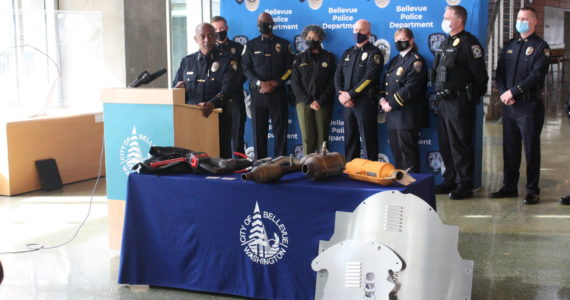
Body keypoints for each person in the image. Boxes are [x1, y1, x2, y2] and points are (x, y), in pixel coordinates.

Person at [490, 7, 551, 205]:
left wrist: (514, 92)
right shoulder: (510, 44)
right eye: (519, 18)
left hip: (529, 106)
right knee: (510, 148)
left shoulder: (541, 47)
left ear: (534, 22)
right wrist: (503, 91)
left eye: (525, 18)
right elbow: (500, 71)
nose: (520, 21)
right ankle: (509, 187)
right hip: (509, 106)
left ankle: (532, 190)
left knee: (531, 149)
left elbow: (536, 75)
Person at [432, 5, 488, 200]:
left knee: (460, 144)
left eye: (447, 17)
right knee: (446, 144)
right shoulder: (447, 42)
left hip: (460, 102)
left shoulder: (469, 44)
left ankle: (464, 184)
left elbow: (481, 77)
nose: (444, 19)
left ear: (458, 21)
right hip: (444, 102)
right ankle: (450, 179)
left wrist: (469, 99)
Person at [172, 23, 236, 157]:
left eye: (210, 36)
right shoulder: (187, 62)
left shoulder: (227, 61)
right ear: (196, 39)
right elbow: (175, 87)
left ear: (215, 37)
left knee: (220, 161)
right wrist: (178, 89)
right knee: (193, 160)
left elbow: (229, 89)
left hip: (218, 118)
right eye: (202, 36)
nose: (207, 39)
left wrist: (212, 104)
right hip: (190, 120)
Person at [242, 12, 294, 159]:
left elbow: (290, 69)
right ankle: (260, 162)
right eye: (261, 23)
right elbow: (246, 68)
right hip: (258, 94)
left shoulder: (284, 44)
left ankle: (280, 161)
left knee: (280, 131)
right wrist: (260, 83)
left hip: (278, 94)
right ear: (257, 25)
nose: (264, 25)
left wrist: (277, 83)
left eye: (267, 22)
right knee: (259, 131)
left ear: (273, 24)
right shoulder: (250, 45)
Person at [379, 28, 428, 173]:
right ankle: (401, 186)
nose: (399, 42)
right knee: (397, 154)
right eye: (397, 40)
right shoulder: (395, 60)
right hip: (392, 115)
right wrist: (382, 100)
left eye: (402, 39)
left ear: (411, 40)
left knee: (408, 156)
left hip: (406, 115)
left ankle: (412, 187)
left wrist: (390, 104)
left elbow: (410, 88)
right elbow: (385, 84)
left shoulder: (416, 61)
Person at [334, 19, 383, 162]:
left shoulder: (374, 52)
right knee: (350, 140)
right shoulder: (348, 52)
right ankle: (351, 171)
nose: (357, 33)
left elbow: (369, 78)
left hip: (365, 103)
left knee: (368, 140)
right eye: (355, 30)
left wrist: (350, 95)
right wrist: (340, 95)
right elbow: (338, 75)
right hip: (347, 104)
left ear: (368, 33)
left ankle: (371, 174)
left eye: (361, 30)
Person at [290, 25, 336, 155]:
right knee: (307, 138)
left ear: (320, 39)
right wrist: (309, 101)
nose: (312, 40)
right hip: (304, 103)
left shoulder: (329, 57)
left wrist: (319, 100)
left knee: (322, 139)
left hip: (323, 102)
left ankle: (322, 167)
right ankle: (308, 167)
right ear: (305, 39)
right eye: (309, 38)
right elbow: (295, 83)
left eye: (315, 38)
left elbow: (333, 83)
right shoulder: (299, 58)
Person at [211, 16, 247, 158]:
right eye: (215, 29)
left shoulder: (239, 48)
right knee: (220, 136)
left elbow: (244, 72)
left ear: (227, 29)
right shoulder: (210, 50)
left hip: (235, 98)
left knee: (238, 135)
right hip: (216, 99)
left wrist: (230, 90)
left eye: (222, 28)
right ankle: (222, 165)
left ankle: (240, 165)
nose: (219, 31)